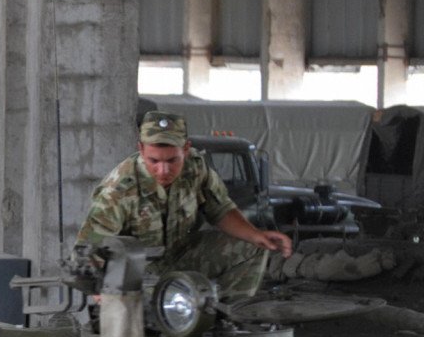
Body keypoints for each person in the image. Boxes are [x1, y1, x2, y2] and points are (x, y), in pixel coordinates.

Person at [75, 111, 293, 301]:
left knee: (253, 247)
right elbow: (87, 251)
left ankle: (223, 317)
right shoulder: (119, 190)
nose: (163, 170)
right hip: (137, 272)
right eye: (154, 161)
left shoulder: (196, 168)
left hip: (182, 256)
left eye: (172, 161)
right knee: (157, 307)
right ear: (141, 149)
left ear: (186, 149)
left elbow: (220, 210)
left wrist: (256, 236)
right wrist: (99, 290)